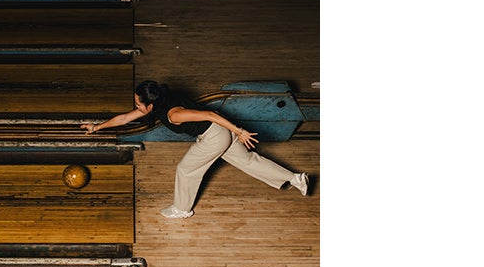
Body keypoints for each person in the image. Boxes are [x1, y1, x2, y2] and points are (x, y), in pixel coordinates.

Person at [79, 79, 310, 219]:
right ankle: (296, 178)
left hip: (215, 134)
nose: (136, 106)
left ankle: (181, 209)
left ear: (150, 105)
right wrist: (97, 127)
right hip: (220, 132)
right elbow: (124, 118)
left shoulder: (173, 113)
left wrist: (238, 131)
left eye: (138, 104)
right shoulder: (159, 100)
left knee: (185, 169)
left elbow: (211, 114)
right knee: (250, 161)